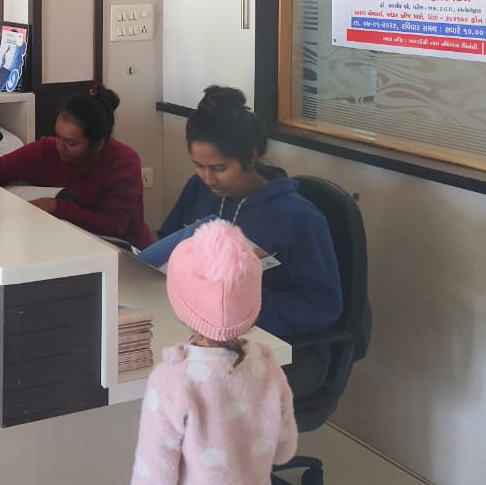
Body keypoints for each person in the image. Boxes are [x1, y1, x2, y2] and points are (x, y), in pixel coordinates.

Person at [140, 85, 342, 398]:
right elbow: (170, 240)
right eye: (198, 166)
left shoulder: (297, 217)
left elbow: (323, 306)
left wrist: (242, 307)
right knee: (151, 369)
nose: (208, 179)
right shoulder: (200, 188)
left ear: (250, 156)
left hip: (284, 348)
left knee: (191, 393)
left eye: (219, 168)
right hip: (205, 336)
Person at [131, 220, 297, 485]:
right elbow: (284, 450)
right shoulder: (267, 367)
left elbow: (154, 474)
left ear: (179, 305)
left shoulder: (172, 380)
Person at [0, 84, 153, 249]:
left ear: (98, 144)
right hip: (66, 245)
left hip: (124, 251)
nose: (60, 146)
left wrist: (56, 207)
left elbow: (113, 226)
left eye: (71, 143)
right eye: (58, 136)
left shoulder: (123, 162)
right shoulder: (47, 151)